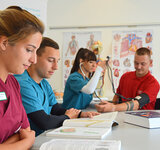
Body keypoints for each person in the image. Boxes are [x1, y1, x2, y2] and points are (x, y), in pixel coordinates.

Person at [14, 37, 99, 136]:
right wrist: (68, 117)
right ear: (34, 57)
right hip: (31, 140)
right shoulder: (22, 83)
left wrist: (79, 114)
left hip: (42, 135)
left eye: (57, 61)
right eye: (50, 60)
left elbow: (56, 109)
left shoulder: (44, 83)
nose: (56, 67)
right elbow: (44, 122)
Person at [0, 6, 44, 150]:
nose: (34, 60)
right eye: (29, 50)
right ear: (4, 43)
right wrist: (25, 143)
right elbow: (27, 137)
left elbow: (25, 131)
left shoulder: (13, 83)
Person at [95, 47, 160, 112]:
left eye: (143, 64)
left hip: (143, 119)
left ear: (150, 63)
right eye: (136, 63)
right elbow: (117, 98)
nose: (139, 67)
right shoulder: (125, 77)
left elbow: (136, 104)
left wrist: (113, 108)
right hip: (122, 116)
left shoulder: (153, 84)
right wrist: (109, 105)